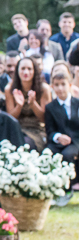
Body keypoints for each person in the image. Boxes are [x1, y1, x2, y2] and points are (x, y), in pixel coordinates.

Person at [44, 62, 79, 206]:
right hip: (58, 143)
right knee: (48, 153)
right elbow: (50, 131)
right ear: (52, 87)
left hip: (76, 141)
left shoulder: (77, 103)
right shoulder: (50, 107)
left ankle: (66, 188)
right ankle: (48, 188)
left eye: (63, 84)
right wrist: (58, 137)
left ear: (70, 85)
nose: (60, 88)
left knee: (68, 155)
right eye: (56, 85)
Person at [6, 56, 52, 150]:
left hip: (37, 130)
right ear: (17, 71)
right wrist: (19, 106)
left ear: (35, 71)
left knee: (26, 143)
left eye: (29, 69)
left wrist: (33, 103)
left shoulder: (44, 89)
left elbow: (45, 119)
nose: (26, 72)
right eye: (23, 68)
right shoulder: (9, 89)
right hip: (17, 129)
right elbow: (10, 118)